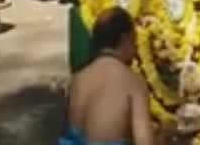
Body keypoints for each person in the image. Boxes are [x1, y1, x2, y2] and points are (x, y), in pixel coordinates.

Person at [60, 8, 155, 145]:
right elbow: (145, 142)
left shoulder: (77, 79)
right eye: (134, 40)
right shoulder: (133, 83)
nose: (136, 48)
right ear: (125, 38)